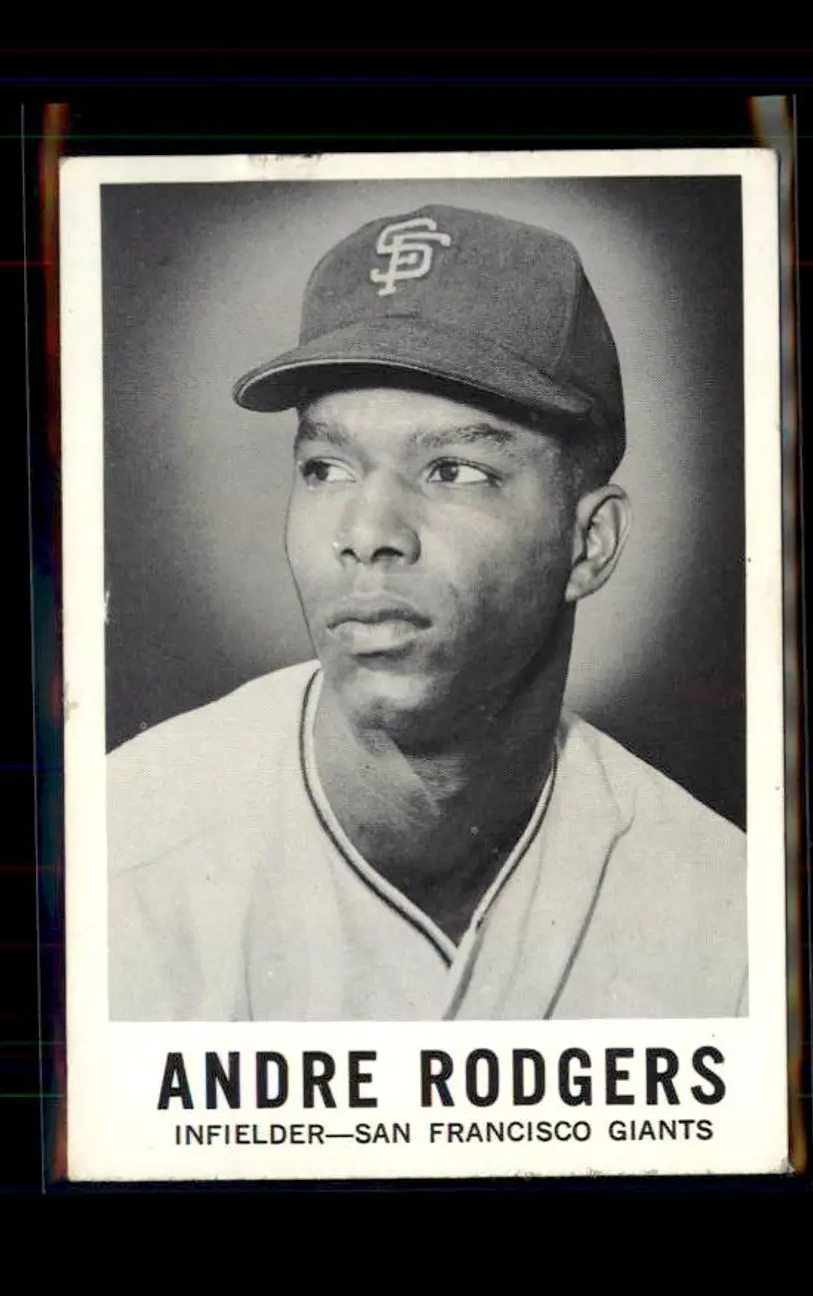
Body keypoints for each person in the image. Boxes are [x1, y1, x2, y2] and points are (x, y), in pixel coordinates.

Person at [108, 203, 747, 1021]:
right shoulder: (120, 855)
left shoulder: (727, 918)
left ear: (589, 544)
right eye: (327, 467)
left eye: (453, 470)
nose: (367, 532)